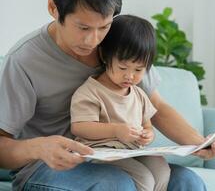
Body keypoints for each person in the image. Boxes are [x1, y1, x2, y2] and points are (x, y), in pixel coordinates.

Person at [0, 0, 215, 191]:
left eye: (104, 26)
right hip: (47, 169)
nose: (93, 40)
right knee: (115, 184)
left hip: (114, 156)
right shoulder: (23, 61)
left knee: (187, 182)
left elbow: (158, 108)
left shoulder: (119, 44)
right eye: (83, 27)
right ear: (53, 8)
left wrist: (199, 144)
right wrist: (38, 148)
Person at [70, 14, 170, 191]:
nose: (130, 76)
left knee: (161, 168)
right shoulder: (91, 91)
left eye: (139, 70)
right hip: (100, 153)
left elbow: (147, 125)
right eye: (123, 68)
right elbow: (79, 127)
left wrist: (148, 135)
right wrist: (116, 130)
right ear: (105, 56)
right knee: (144, 178)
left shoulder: (138, 94)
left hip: (130, 152)